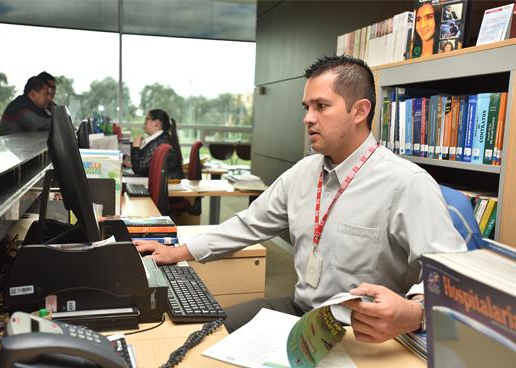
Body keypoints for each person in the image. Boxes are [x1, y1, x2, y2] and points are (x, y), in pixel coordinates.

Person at [134, 55, 467, 343]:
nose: (308, 117)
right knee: (199, 337)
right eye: (306, 107)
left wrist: (415, 313)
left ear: (359, 111)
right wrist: (177, 252)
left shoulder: (406, 184)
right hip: (302, 312)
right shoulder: (303, 173)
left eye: (321, 106)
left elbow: (452, 277)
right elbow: (249, 224)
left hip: (359, 332)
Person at [129, 109, 184, 179]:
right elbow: (146, 164)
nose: (144, 123)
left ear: (156, 122)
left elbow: (138, 169)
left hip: (167, 186)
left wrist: (135, 147)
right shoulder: (161, 138)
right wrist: (132, 164)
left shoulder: (160, 141)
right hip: (162, 184)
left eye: (147, 119)